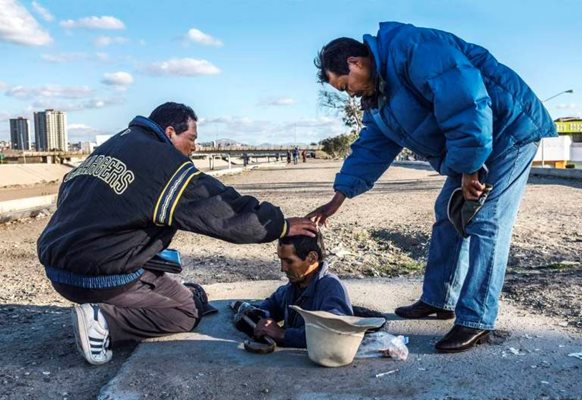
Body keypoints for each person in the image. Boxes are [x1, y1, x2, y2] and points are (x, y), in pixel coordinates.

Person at [308, 22, 557, 353]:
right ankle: (440, 299)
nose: (349, 94)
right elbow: (372, 147)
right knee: (447, 212)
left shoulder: (411, 49)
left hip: (509, 128)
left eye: (344, 85)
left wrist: (469, 168)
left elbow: (465, 101)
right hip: (472, 140)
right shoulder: (378, 97)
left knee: (487, 220)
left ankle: (477, 318)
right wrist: (338, 198)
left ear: (355, 62)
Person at [37, 102, 317, 365]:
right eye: (192, 138)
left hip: (60, 267)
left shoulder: (115, 145)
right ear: (170, 132)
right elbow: (221, 209)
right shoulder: (164, 164)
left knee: (188, 297)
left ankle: (112, 304)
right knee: (185, 314)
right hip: (95, 276)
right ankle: (104, 322)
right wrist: (279, 224)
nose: (194, 148)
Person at [239, 233, 353, 348]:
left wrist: (283, 335)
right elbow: (271, 305)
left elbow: (335, 334)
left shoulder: (331, 288)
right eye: (281, 260)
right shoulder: (293, 287)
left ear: (312, 258)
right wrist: (258, 315)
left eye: (289, 261)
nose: (283, 268)